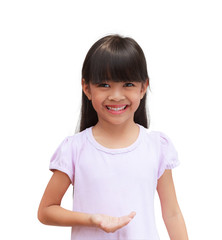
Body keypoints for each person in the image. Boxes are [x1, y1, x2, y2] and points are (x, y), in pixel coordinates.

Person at [38, 34, 188, 240]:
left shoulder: (157, 146)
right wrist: (92, 219)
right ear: (86, 88)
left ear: (143, 87)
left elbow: (172, 214)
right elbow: (46, 210)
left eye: (128, 84)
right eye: (105, 85)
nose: (116, 95)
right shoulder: (74, 148)